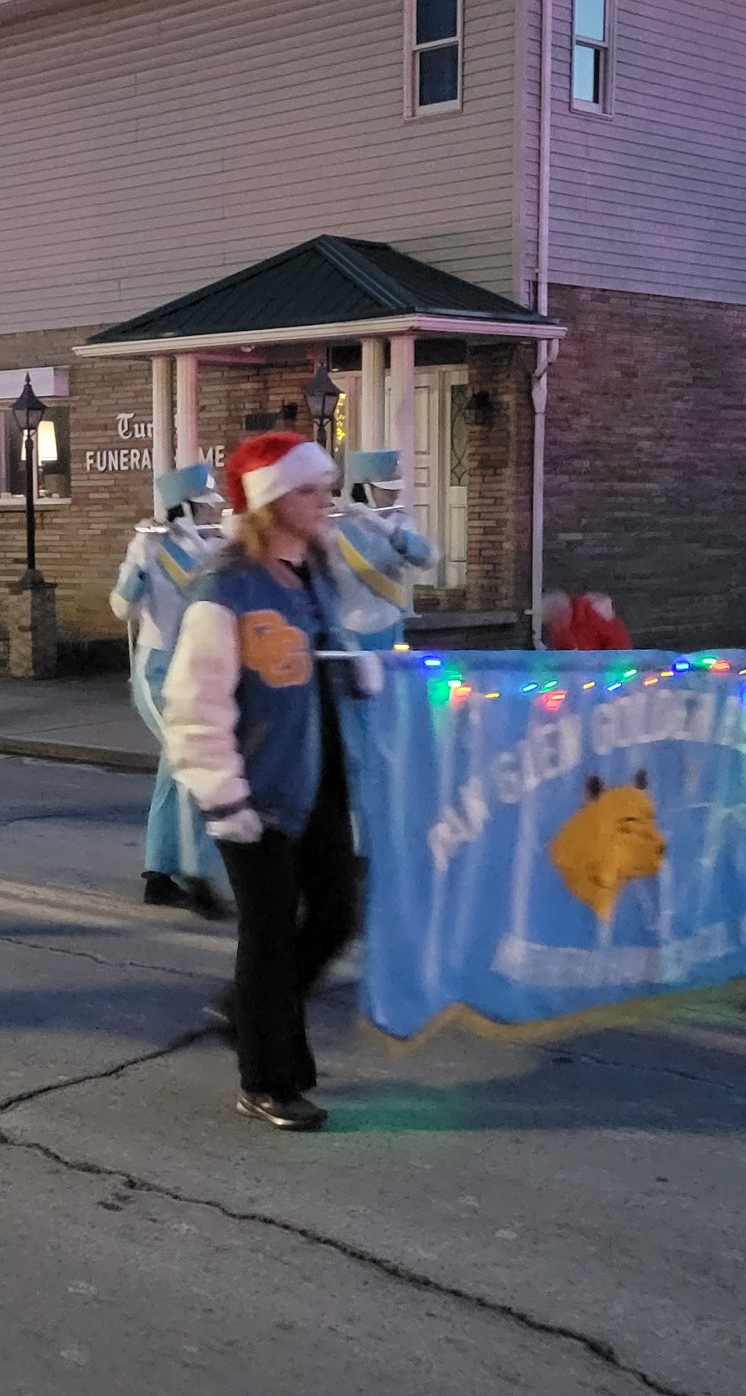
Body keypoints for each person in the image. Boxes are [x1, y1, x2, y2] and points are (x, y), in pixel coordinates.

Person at [164, 431, 378, 1132]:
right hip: (253, 788)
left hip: (318, 778)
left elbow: (315, 656)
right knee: (270, 932)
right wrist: (223, 794)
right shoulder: (226, 586)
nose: (327, 502)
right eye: (312, 490)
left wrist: (356, 667)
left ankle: (252, 1015)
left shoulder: (310, 573)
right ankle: (266, 1077)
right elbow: (194, 703)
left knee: (338, 915)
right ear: (271, 502)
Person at [109, 463, 229, 917]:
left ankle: (158, 874)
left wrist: (212, 538)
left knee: (173, 771)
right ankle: (195, 873)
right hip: (157, 672)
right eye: (203, 509)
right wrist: (139, 561)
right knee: (192, 761)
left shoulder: (213, 546)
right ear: (183, 509)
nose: (210, 515)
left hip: (194, 671)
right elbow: (122, 608)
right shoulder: (152, 549)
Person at [328, 448, 435, 651]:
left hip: (390, 625)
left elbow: (428, 559)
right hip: (348, 628)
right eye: (387, 489)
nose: (395, 494)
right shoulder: (336, 524)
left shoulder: (400, 522)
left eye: (396, 488)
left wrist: (385, 528)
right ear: (364, 488)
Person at [541, 590, 631, 651]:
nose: (555, 627)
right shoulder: (558, 628)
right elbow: (560, 655)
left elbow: (619, 644)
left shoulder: (595, 614)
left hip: (608, 671)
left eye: (556, 621)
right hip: (581, 673)